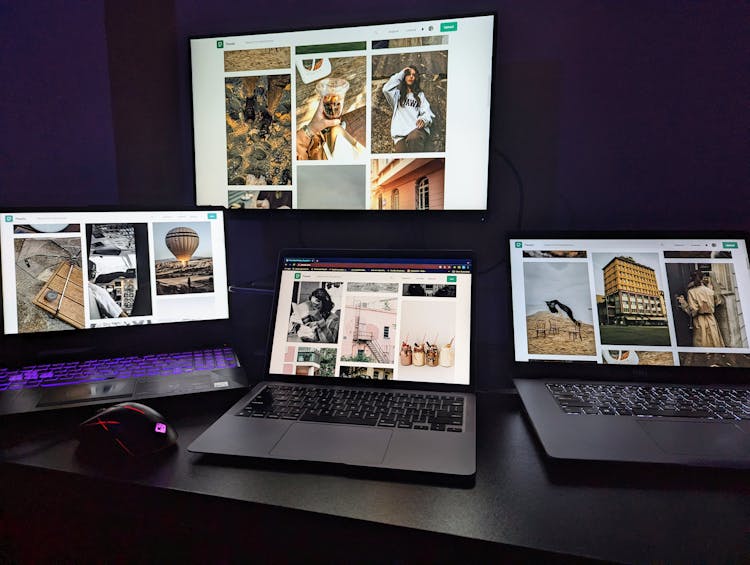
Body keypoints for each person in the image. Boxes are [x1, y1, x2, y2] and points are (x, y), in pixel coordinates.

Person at [382, 66, 435, 152]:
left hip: (416, 131)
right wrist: (402, 73)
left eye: (413, 75)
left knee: (413, 138)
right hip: (400, 135)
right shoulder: (397, 96)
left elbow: (427, 112)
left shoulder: (420, 95)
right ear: (404, 77)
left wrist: (423, 120)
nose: (411, 76)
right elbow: (386, 89)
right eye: (408, 74)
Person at [676, 270, 724, 347]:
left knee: (702, 344)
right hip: (711, 319)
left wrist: (683, 303)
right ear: (702, 278)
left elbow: (693, 312)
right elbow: (718, 302)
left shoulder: (691, 292)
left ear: (691, 279)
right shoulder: (710, 290)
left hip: (699, 320)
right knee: (714, 343)